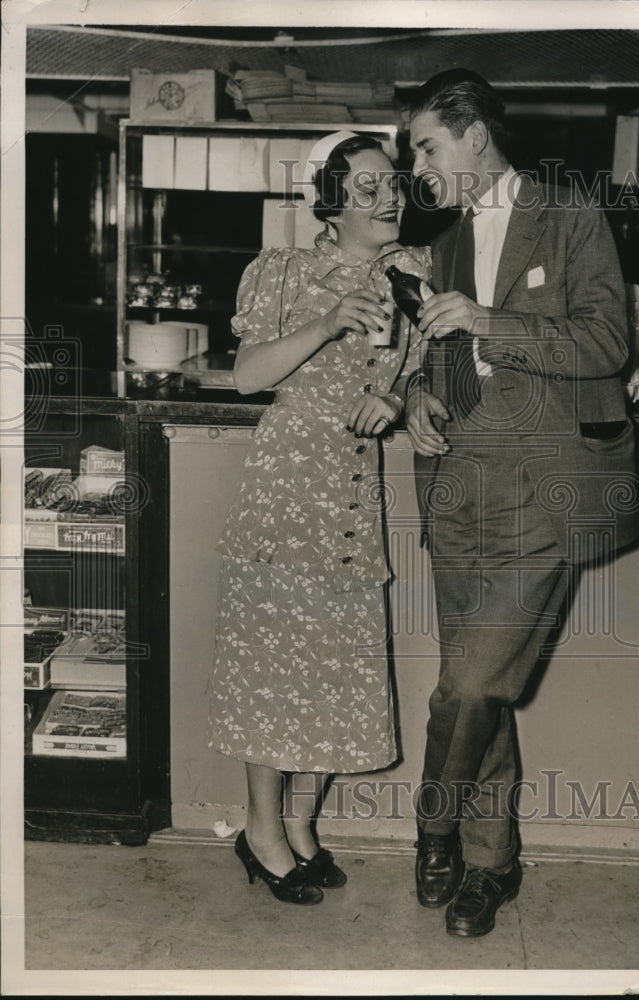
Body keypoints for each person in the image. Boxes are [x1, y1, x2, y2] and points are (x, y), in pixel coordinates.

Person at [404, 70, 639, 937]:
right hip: (459, 484)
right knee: (481, 694)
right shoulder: (444, 240)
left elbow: (607, 343)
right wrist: (422, 400)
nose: (419, 169)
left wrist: (486, 321)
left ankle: (434, 823)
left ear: (474, 134)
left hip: (545, 490)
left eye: (427, 147)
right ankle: (491, 863)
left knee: (470, 683)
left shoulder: (570, 214)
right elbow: (442, 358)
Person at [208, 131, 430, 905]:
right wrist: (329, 321)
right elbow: (247, 377)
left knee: (335, 667)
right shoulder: (282, 271)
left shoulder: (414, 274)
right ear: (329, 205)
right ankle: (261, 833)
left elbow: (422, 371)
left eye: (393, 183)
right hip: (286, 487)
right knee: (272, 670)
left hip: (353, 490)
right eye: (367, 188)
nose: (389, 198)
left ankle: (301, 825)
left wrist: (394, 397)